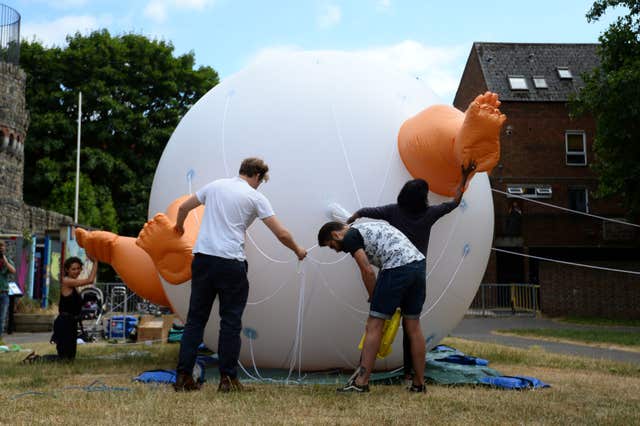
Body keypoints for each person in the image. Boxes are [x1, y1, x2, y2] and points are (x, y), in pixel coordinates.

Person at [168, 157, 307, 392]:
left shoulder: (215, 186)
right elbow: (281, 233)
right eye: (261, 181)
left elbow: (183, 208)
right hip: (230, 263)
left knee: (194, 321)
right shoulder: (255, 197)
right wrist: (298, 250)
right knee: (230, 323)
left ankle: (183, 377)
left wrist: (179, 227)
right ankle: (228, 380)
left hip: (202, 260)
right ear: (257, 176)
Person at [346, 161, 476, 385]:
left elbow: (366, 211)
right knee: (412, 326)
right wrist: (464, 178)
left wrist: (350, 220)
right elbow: (455, 202)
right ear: (423, 198)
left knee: (377, 322)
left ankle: (362, 377)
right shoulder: (430, 213)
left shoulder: (392, 211)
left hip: (395, 271)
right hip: (417, 271)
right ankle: (415, 379)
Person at [317, 220, 426, 393]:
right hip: (418, 265)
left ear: (336, 234)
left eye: (332, 245)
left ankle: (361, 383)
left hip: (396, 267)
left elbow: (367, 270)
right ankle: (419, 384)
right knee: (413, 326)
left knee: (374, 325)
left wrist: (374, 298)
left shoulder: (350, 236)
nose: (336, 250)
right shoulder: (367, 227)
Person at [22, 255, 98, 363]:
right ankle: (35, 360)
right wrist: (95, 262)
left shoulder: (74, 284)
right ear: (67, 270)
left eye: (78, 268)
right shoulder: (67, 281)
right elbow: (90, 280)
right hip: (64, 323)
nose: (76, 271)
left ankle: (36, 359)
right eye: (73, 269)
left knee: (70, 358)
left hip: (72, 323)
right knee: (64, 358)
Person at [0, 240, 16, 339]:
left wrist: (5, 261)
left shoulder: (7, 260)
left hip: (3, 293)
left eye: (2, 246)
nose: (1, 248)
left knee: (1, 318)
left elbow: (13, 270)